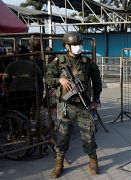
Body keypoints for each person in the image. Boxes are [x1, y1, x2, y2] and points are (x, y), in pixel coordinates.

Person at [45, 31, 102, 178]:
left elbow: (97, 82)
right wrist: (60, 80)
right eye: (75, 45)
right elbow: (47, 78)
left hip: (84, 105)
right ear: (67, 46)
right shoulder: (58, 62)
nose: (78, 47)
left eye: (79, 44)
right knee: (63, 136)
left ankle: (93, 161)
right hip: (65, 106)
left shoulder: (87, 63)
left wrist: (96, 100)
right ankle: (59, 164)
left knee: (89, 135)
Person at [2, 45, 43, 118]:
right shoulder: (33, 65)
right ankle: (25, 125)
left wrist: (6, 91)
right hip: (30, 93)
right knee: (26, 113)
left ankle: (18, 126)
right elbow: (40, 81)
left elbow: (5, 79)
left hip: (15, 93)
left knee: (15, 113)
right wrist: (40, 97)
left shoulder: (12, 65)